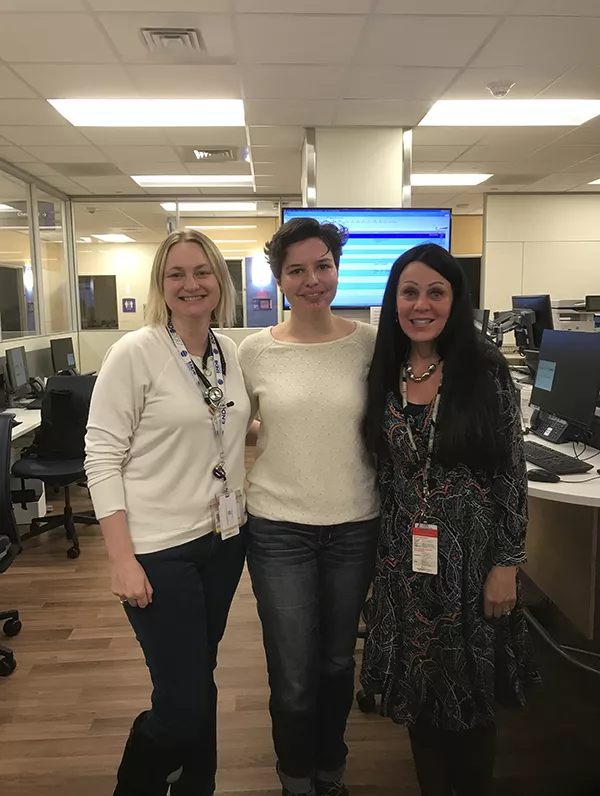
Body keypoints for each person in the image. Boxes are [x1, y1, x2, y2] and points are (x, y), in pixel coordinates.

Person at [360, 243, 539, 796]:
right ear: (394, 301)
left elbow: (511, 473)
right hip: (405, 562)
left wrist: (507, 564)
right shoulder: (384, 371)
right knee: (420, 691)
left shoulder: (485, 372)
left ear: (454, 300)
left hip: (473, 562)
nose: (421, 305)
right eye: (409, 293)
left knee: (472, 692)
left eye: (435, 292)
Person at [85, 229, 250, 796]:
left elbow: (225, 422)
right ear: (161, 284)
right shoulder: (135, 352)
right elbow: (101, 456)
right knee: (181, 705)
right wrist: (120, 560)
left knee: (198, 680)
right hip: (159, 551)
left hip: (224, 541)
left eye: (202, 271)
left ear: (219, 280)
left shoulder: (228, 351)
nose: (191, 284)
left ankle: (197, 787)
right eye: (176, 274)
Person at [238, 217, 379, 796]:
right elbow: (233, 427)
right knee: (293, 672)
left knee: (338, 663)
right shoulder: (254, 352)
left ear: (337, 269)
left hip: (355, 524)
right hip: (278, 530)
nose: (312, 279)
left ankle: (331, 770)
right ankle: (295, 778)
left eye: (323, 265)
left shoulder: (371, 344)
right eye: (296, 270)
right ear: (280, 280)